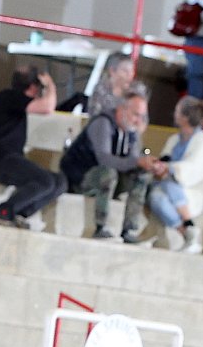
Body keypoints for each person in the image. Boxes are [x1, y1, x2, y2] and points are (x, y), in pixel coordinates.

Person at [60, 89, 159, 242]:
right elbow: (105, 159)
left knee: (141, 175)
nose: (138, 120)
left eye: (142, 116)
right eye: (136, 115)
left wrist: (142, 159)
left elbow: (132, 160)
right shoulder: (103, 123)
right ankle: (100, 227)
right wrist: (136, 161)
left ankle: (129, 230)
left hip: (107, 181)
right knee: (108, 173)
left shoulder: (130, 131)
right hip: (81, 177)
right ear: (123, 109)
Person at [0, 66, 65, 229]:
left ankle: (20, 213)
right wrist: (51, 85)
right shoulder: (8, 97)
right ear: (34, 87)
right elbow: (47, 108)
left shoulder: (14, 101)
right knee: (45, 181)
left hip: (7, 160)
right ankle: (2, 211)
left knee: (59, 182)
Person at [148, 96, 203, 253]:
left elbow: (194, 169)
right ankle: (186, 232)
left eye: (178, 111)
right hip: (165, 188)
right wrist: (158, 165)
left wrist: (169, 168)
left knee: (170, 184)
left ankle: (189, 222)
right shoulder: (174, 139)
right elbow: (166, 159)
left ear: (185, 117)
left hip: (191, 191)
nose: (174, 114)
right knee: (156, 198)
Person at [86, 52, 135, 117]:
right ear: (112, 71)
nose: (130, 75)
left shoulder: (136, 91)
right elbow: (95, 115)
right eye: (125, 71)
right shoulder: (100, 90)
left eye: (131, 71)